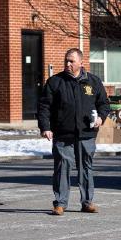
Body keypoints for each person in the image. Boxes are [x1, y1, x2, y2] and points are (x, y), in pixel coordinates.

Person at [37, 48, 110, 216]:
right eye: (66, 61)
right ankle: (60, 203)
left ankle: (87, 202)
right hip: (63, 134)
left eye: (71, 61)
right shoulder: (55, 82)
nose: (68, 64)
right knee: (62, 168)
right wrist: (45, 127)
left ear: (81, 63)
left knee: (86, 168)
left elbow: (104, 104)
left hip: (86, 134)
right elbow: (44, 106)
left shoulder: (93, 82)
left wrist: (100, 118)